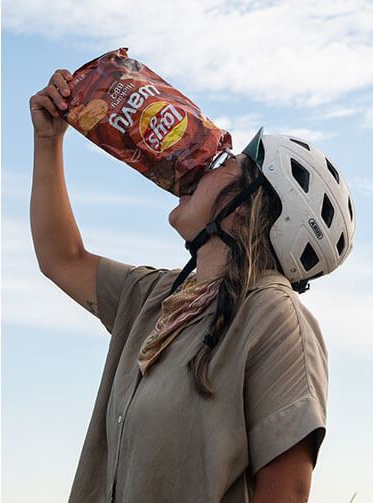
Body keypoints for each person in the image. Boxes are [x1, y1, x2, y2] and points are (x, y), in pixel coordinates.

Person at [29, 69, 354, 502]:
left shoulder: (276, 321)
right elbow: (62, 258)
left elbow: (287, 494)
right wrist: (48, 140)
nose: (199, 164)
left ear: (249, 205)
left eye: (228, 163)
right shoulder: (156, 298)